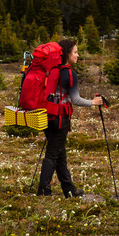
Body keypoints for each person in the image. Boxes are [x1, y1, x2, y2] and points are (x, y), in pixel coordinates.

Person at [35, 38, 103, 197]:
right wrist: (93, 102)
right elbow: (76, 100)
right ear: (67, 54)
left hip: (47, 116)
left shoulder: (52, 70)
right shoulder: (70, 73)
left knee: (59, 154)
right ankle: (43, 189)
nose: (78, 55)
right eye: (75, 52)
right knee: (52, 154)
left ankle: (69, 189)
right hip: (61, 118)